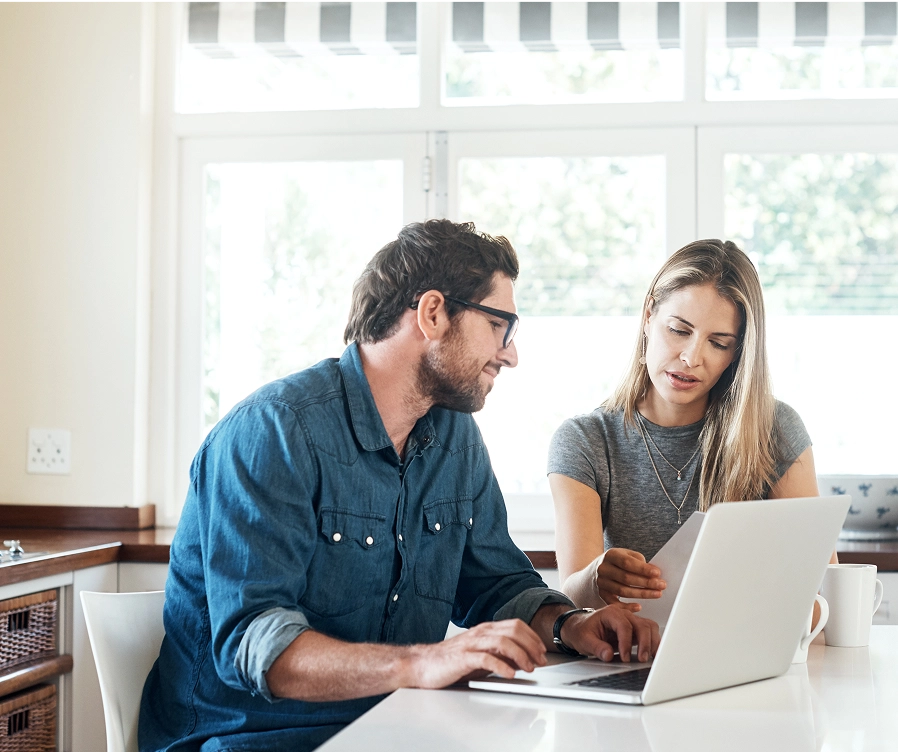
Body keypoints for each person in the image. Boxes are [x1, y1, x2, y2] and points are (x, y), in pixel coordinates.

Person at [140, 219, 660, 752]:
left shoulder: (454, 437)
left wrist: (569, 625)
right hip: (251, 738)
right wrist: (422, 662)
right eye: (500, 325)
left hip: (395, 730)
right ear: (433, 313)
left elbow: (495, 585)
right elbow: (257, 645)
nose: (510, 353)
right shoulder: (272, 432)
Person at [548, 239, 836, 616]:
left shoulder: (774, 430)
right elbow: (571, 596)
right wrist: (596, 577)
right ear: (649, 315)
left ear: (737, 354)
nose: (691, 358)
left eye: (718, 343)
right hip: (633, 658)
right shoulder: (585, 441)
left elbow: (824, 587)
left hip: (743, 657)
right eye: (679, 330)